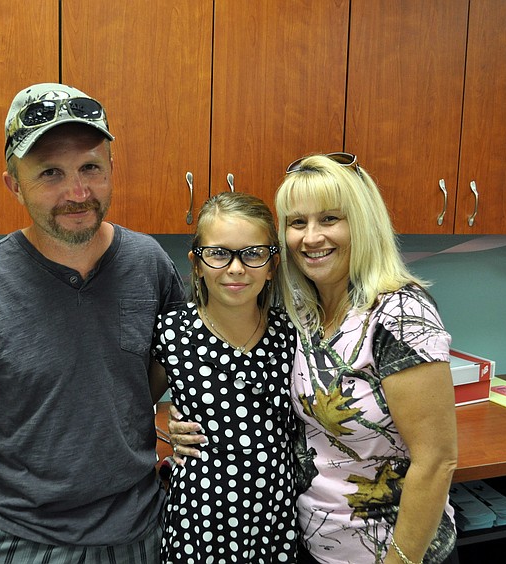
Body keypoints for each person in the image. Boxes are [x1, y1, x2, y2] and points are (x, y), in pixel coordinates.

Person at [0, 83, 186, 564]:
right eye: (50, 173)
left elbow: (149, 381)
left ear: (111, 169)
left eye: (91, 167)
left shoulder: (151, 265)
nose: (78, 192)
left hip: (144, 532)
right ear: (14, 184)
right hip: (25, 539)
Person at [171, 153, 458, 564]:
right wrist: (175, 426)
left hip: (389, 550)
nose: (311, 237)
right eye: (297, 222)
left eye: (329, 219)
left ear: (362, 223)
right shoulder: (303, 313)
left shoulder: (399, 314)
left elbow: (437, 460)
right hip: (312, 542)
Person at [152, 191, 298, 563]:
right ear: (197, 264)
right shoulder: (171, 333)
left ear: (271, 264)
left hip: (275, 517)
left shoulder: (293, 334)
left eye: (252, 253)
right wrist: (169, 428)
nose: (236, 268)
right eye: (219, 253)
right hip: (199, 522)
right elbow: (134, 406)